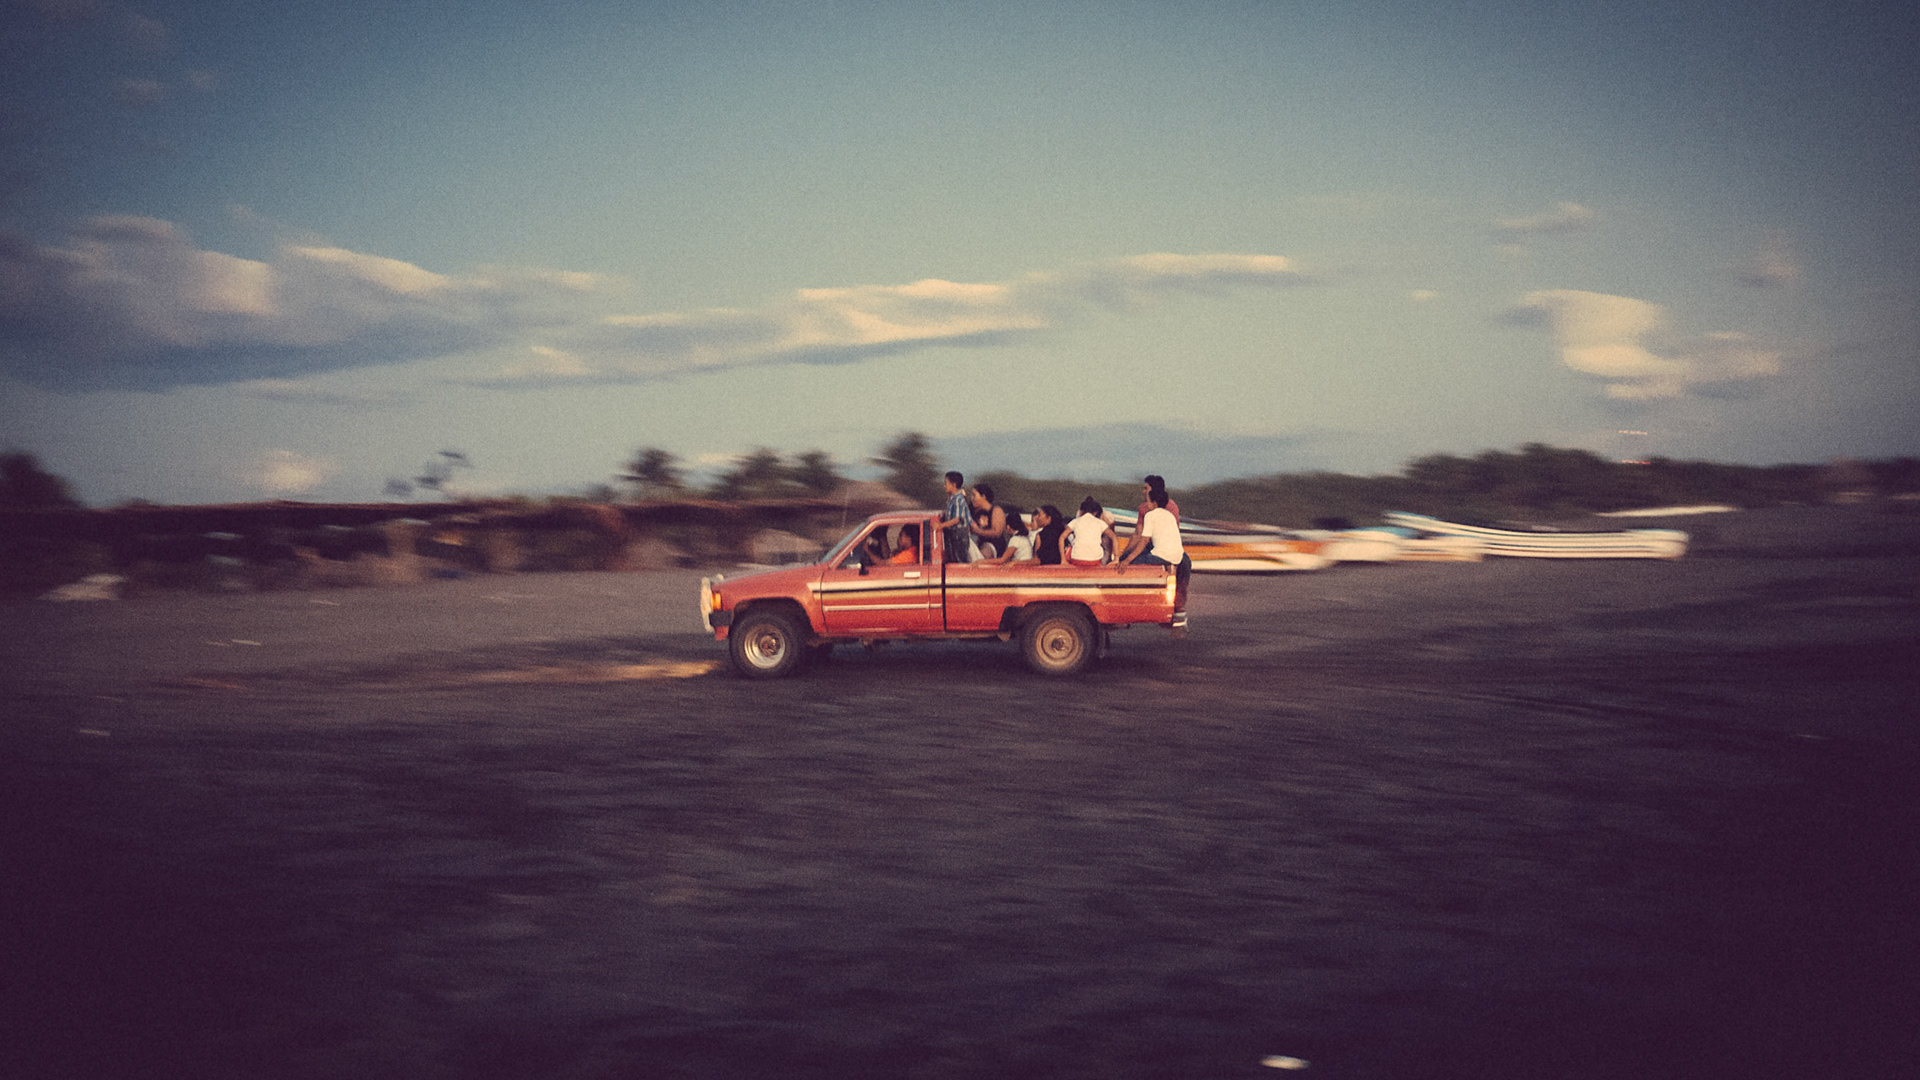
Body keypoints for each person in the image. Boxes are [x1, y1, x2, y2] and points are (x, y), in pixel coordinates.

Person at [1116, 488, 1191, 628]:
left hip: (1161, 556)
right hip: (1178, 556)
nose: (1146, 504)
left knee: (1133, 561)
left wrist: (1126, 560)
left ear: (1154, 502)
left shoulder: (1150, 515)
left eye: (1148, 501)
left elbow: (1143, 541)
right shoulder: (1169, 515)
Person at [1064, 497, 1116, 566]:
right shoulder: (1081, 515)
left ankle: (1106, 560)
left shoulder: (1107, 517)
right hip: (1094, 558)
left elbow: (1110, 540)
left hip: (1078, 558)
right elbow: (1113, 537)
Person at [936, 472, 970, 563]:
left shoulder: (958, 499)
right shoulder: (952, 499)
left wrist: (940, 525)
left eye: (946, 483)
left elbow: (957, 519)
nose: (944, 486)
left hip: (959, 535)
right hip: (954, 534)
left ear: (954, 484)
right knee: (954, 558)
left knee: (960, 559)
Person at [968, 483, 1009, 558]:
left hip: (994, 547)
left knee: (986, 549)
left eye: (974, 495)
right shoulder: (972, 511)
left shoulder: (996, 511)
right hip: (978, 545)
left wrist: (976, 531)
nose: (971, 498)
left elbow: (997, 532)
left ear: (983, 497)